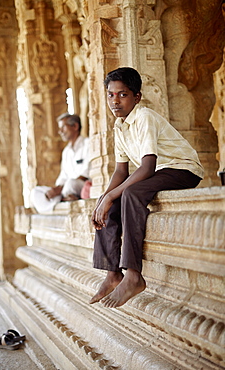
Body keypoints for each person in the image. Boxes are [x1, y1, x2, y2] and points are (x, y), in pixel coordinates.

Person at [89, 67, 204, 308]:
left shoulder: (144, 118)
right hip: (161, 171)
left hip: (182, 169)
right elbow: (121, 171)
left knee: (129, 193)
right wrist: (104, 198)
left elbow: (147, 167)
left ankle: (133, 275)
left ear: (137, 97)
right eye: (110, 95)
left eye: (123, 94)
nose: (115, 101)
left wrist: (112, 195)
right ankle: (113, 274)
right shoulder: (119, 126)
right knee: (107, 201)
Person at [30, 113, 90, 213]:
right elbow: (63, 176)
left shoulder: (87, 144)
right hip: (64, 189)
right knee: (35, 192)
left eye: (63, 127)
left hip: (80, 185)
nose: (60, 131)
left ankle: (61, 201)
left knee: (71, 184)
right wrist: (56, 189)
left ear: (75, 126)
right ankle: (63, 201)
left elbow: (86, 174)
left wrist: (61, 188)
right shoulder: (66, 152)